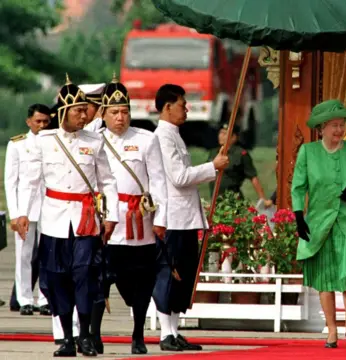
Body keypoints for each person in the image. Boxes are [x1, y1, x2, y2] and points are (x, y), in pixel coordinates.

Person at [17, 74, 119, 357]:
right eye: (78, 111)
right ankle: (66, 339)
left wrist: (111, 216)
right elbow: (30, 180)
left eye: (85, 110)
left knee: (85, 275)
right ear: (63, 112)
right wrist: (22, 213)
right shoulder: (45, 141)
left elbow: (107, 181)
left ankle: (85, 334)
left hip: (86, 219)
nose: (84, 116)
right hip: (54, 220)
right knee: (56, 278)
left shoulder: (95, 142)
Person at [89, 76, 168, 355]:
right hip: (107, 222)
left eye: (124, 112)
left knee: (141, 282)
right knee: (100, 279)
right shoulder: (94, 140)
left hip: (139, 223)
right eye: (114, 112)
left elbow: (158, 181)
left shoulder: (146, 140)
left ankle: (137, 336)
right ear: (103, 114)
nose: (120, 118)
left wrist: (161, 220)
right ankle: (93, 335)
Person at [153, 84, 229, 351]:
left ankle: (173, 330)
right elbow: (179, 177)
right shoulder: (162, 137)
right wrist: (212, 167)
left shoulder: (174, 135)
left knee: (183, 275)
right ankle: (165, 333)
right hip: (172, 217)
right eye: (182, 104)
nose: (187, 109)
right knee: (170, 273)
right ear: (167, 107)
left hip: (185, 217)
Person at [291, 99, 346, 349]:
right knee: (325, 278)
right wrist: (298, 215)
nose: (339, 130)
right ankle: (332, 330)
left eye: (342, 125)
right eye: (334, 126)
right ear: (322, 128)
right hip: (319, 222)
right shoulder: (308, 151)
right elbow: (298, 186)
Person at [4, 104, 51, 316]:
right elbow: (10, 182)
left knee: (47, 254)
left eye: (46, 121)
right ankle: (24, 299)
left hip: (50, 206)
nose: (42, 125)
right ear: (28, 121)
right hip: (26, 207)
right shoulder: (18, 145)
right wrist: (14, 214)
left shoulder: (54, 142)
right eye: (38, 121)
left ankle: (44, 298)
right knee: (23, 255)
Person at [208, 123, 272, 205]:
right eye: (220, 133)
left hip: (234, 202)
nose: (221, 136)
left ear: (234, 137)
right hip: (215, 201)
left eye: (225, 133)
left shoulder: (241, 154)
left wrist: (263, 199)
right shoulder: (213, 153)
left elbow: (253, 177)